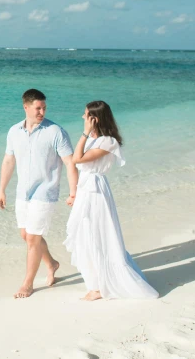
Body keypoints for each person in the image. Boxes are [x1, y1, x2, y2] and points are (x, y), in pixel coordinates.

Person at [64, 100, 159, 301]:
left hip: (96, 192)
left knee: (96, 236)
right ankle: (94, 284)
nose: (82, 117)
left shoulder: (109, 141)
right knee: (83, 236)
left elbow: (77, 159)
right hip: (85, 190)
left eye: (85, 115)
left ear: (94, 119)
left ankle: (99, 287)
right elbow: (78, 162)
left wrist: (84, 133)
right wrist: (75, 194)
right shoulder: (92, 138)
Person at [0, 89, 78, 299]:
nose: (42, 111)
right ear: (26, 107)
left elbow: (70, 163)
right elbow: (8, 161)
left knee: (33, 238)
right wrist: (2, 190)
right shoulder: (14, 131)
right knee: (26, 236)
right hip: (23, 191)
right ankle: (52, 263)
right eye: (38, 108)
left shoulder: (56, 132)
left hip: (46, 191)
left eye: (44, 108)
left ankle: (28, 284)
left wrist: (73, 192)